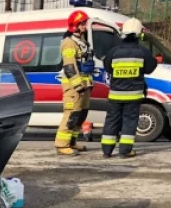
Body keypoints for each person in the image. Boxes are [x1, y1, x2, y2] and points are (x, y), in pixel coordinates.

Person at [100, 18, 158, 159]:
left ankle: (107, 151)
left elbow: (107, 68)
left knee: (112, 120)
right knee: (129, 122)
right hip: (133, 95)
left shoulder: (113, 52)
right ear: (139, 34)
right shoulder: (142, 52)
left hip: (115, 95)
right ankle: (124, 151)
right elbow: (151, 68)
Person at [55, 10, 94, 156]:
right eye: (82, 24)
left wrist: (88, 84)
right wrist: (78, 85)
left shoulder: (82, 41)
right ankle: (61, 144)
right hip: (74, 87)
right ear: (75, 25)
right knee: (71, 115)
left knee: (81, 115)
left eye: (85, 23)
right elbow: (70, 66)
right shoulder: (68, 43)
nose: (85, 26)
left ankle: (72, 142)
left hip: (85, 85)